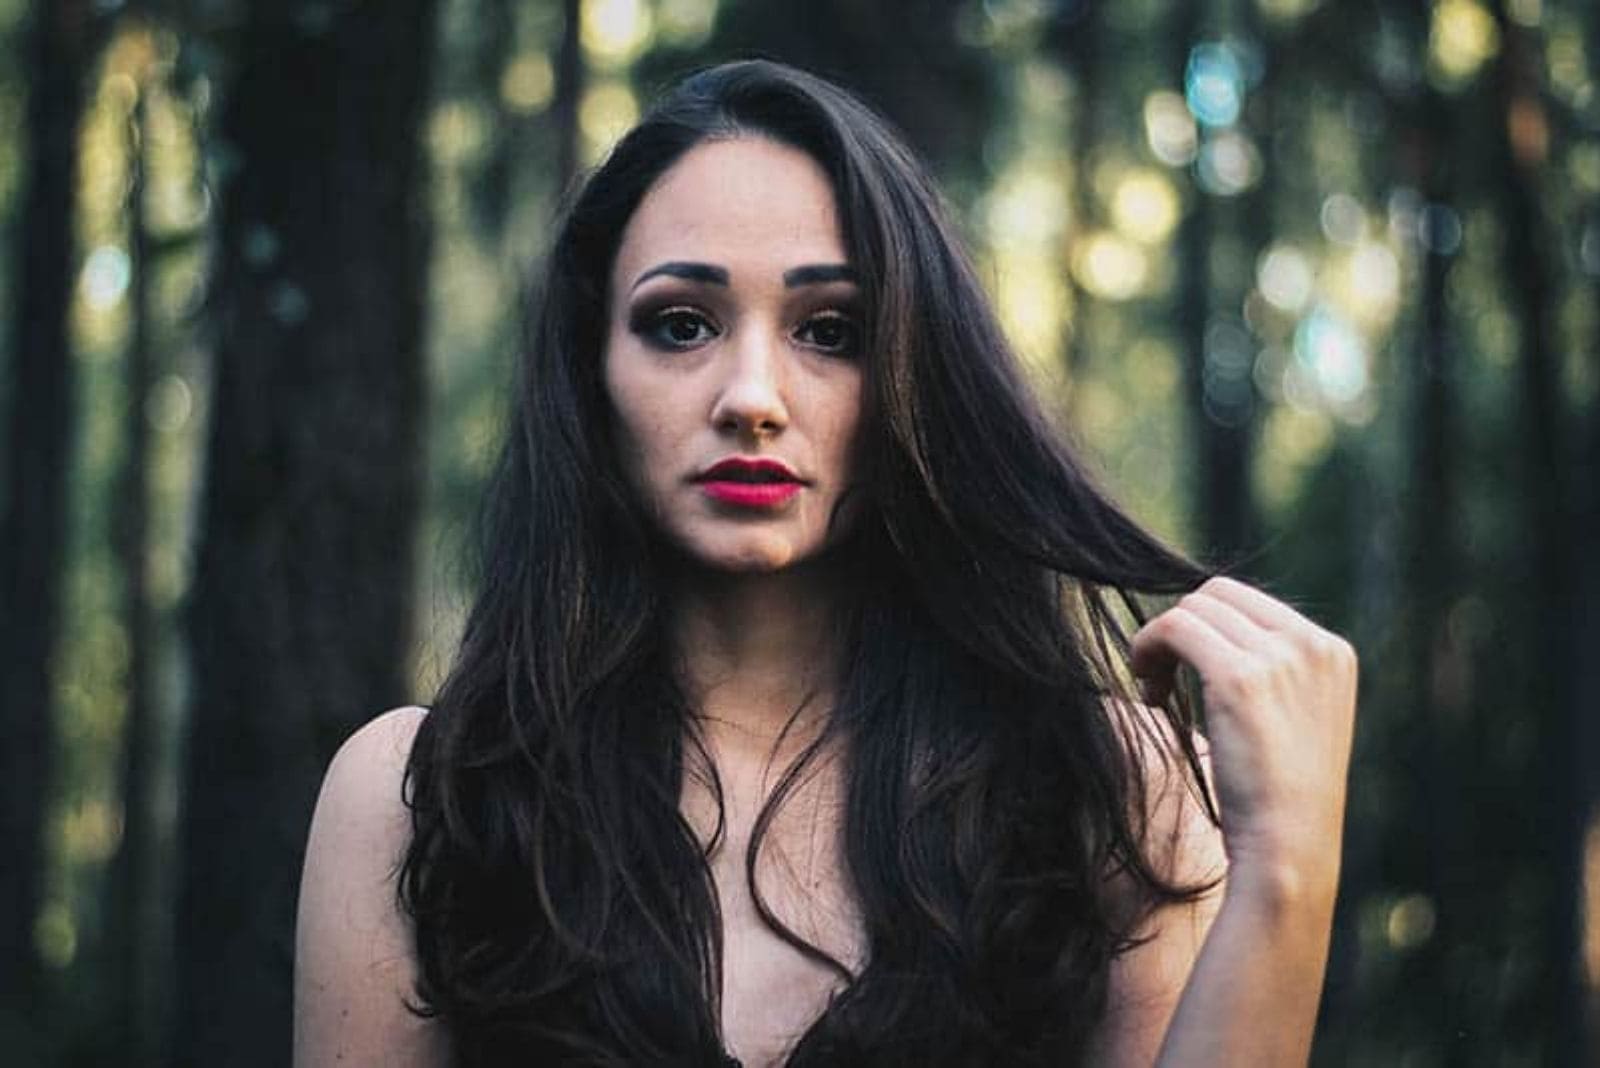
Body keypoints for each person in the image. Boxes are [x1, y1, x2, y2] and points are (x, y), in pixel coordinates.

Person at [293, 59, 1357, 1067]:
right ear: (589, 369)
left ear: (914, 375)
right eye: (679, 324)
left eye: (831, 330)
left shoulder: (1108, 799)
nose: (751, 394)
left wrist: (1288, 870)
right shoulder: (415, 798)